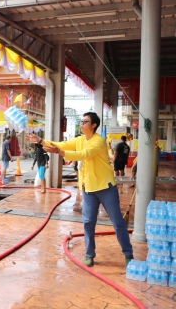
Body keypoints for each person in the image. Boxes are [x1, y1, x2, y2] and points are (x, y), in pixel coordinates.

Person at [26, 112, 133, 268]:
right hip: (88, 188)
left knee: (117, 222)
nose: (82, 124)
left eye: (85, 121)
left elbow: (83, 154)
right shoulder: (80, 140)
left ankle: (128, 254)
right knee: (88, 223)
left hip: (105, 187)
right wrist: (42, 141)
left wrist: (59, 152)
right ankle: (89, 255)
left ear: (93, 125)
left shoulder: (99, 141)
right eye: (81, 121)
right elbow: (61, 144)